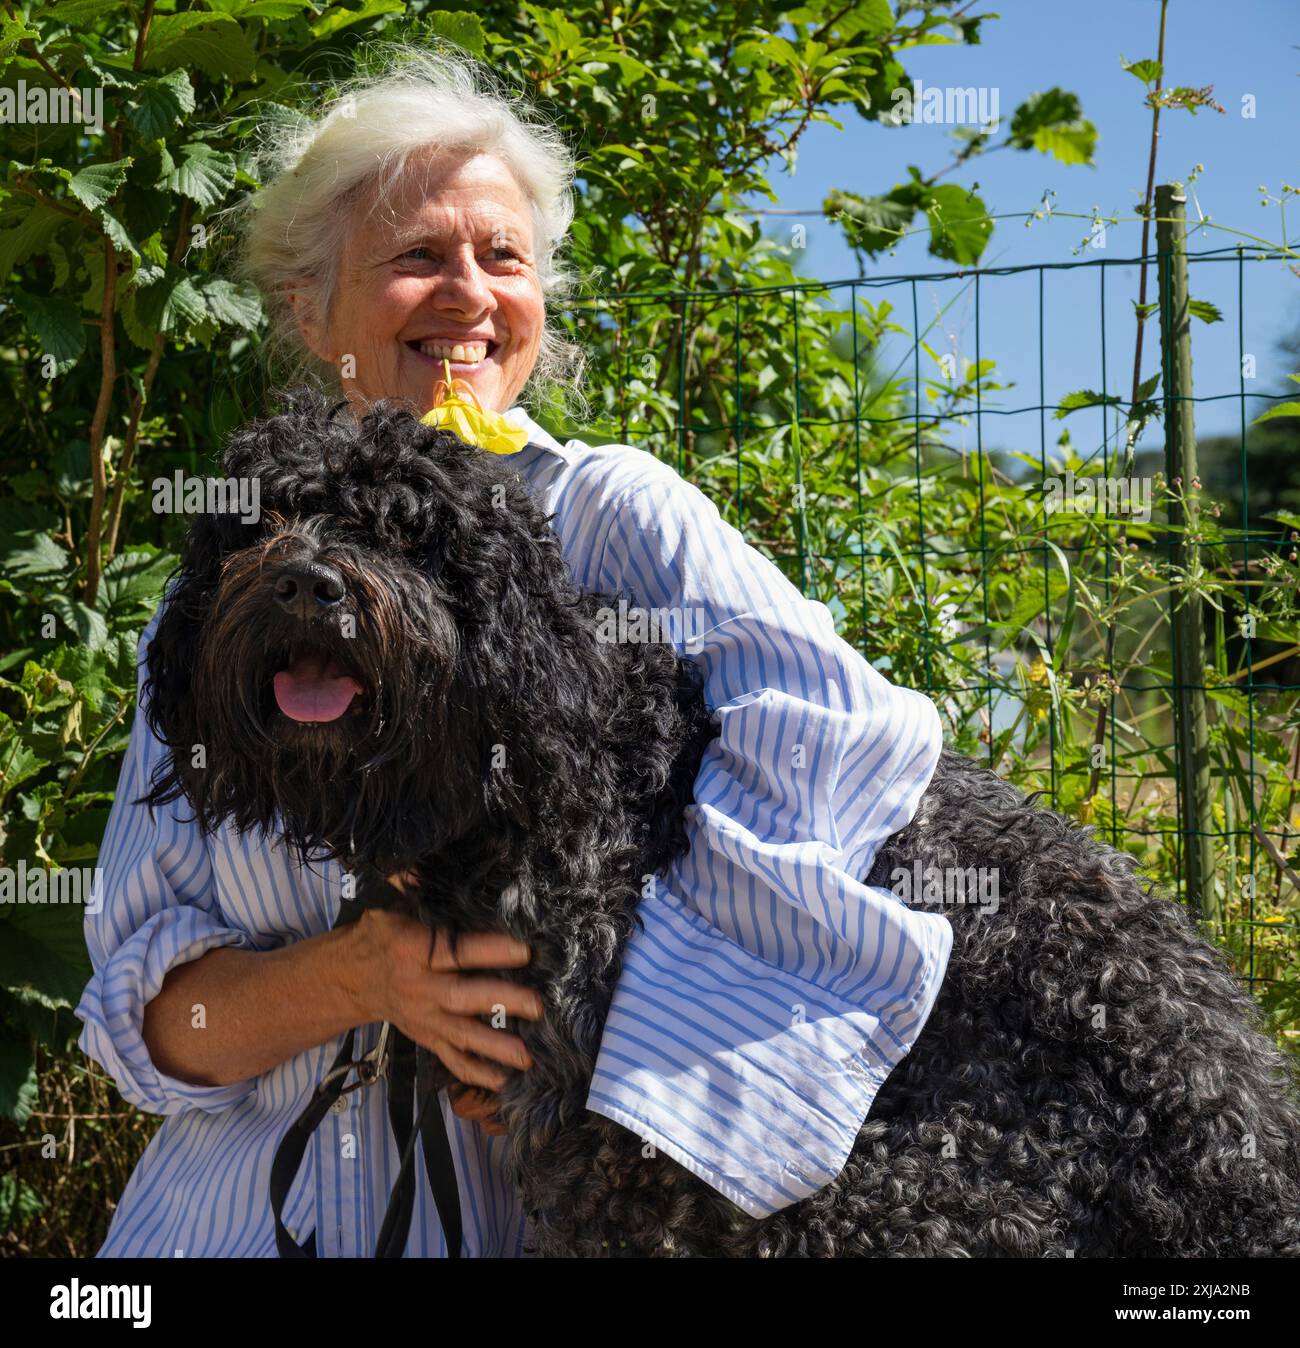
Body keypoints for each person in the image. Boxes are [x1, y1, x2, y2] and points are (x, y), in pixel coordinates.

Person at [75, 47, 951, 1257]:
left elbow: (844, 733)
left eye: (504, 258)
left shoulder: (614, 513)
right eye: (417, 257)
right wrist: (363, 978)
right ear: (304, 305)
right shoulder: (234, 585)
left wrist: (625, 1036)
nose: (469, 296)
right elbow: (149, 1037)